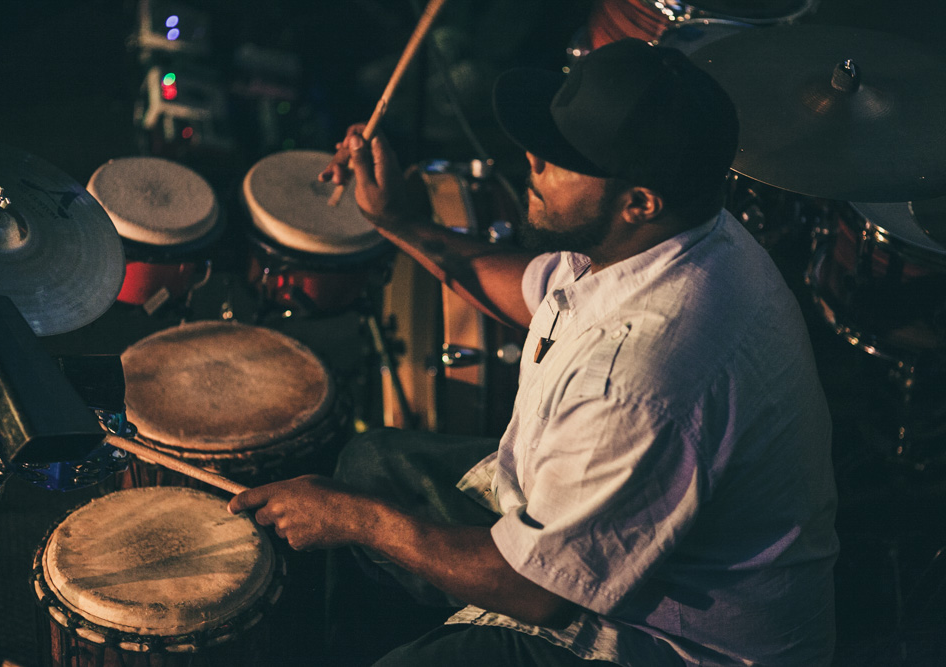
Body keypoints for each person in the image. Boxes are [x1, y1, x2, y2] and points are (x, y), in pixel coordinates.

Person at [228, 38, 839, 666]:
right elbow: (538, 294)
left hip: (663, 642)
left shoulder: (641, 379)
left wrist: (359, 520)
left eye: (560, 157)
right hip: (605, 565)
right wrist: (401, 222)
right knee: (371, 464)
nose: (531, 161)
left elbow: (540, 592)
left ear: (640, 202)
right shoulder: (686, 231)